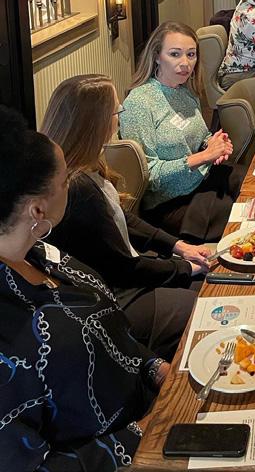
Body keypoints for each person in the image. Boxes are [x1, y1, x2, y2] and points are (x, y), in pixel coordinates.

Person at [0, 104, 165, 471]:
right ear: (37, 210)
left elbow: (109, 333)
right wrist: (143, 432)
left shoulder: (43, 254)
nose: (71, 184)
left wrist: (155, 367)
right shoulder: (8, 330)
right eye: (64, 181)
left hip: (154, 407)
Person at [42, 74, 210, 361]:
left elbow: (122, 217)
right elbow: (123, 268)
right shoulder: (78, 189)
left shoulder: (86, 164)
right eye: (116, 112)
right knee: (206, 304)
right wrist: (183, 268)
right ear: (96, 122)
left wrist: (178, 246)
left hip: (125, 278)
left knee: (207, 280)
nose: (119, 118)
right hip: (114, 301)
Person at [119, 21, 236, 243]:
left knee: (250, 183)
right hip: (168, 202)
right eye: (175, 54)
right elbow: (149, 176)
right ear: (156, 56)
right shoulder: (139, 103)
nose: (185, 63)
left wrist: (214, 144)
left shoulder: (185, 91)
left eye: (191, 55)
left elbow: (200, 138)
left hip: (201, 178)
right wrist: (204, 155)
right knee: (239, 214)